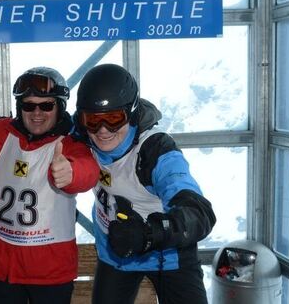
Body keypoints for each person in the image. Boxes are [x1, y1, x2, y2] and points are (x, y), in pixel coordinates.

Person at [73, 63, 216, 304]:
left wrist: (150, 233)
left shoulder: (154, 151)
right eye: (93, 119)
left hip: (169, 255)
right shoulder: (81, 134)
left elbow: (199, 213)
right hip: (117, 255)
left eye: (114, 118)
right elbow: (41, 121)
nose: (103, 130)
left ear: (131, 112)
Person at [0, 66, 100, 304]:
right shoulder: (0, 132)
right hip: (4, 268)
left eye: (46, 106)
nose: (37, 113)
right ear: (19, 108)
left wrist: (71, 173)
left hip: (50, 273)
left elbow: (89, 171)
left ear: (60, 107)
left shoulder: (71, 143)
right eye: (28, 105)